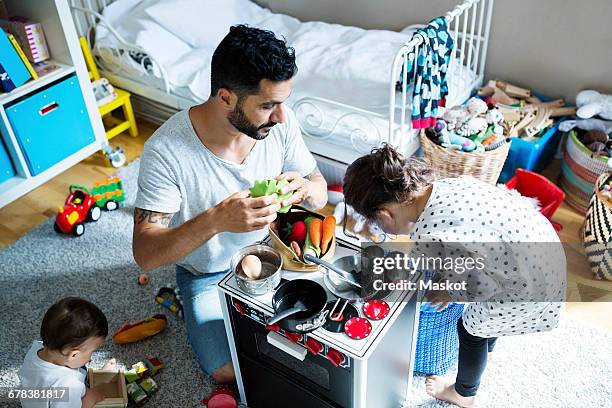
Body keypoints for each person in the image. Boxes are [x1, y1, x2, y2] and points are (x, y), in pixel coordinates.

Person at [132, 25, 327, 384]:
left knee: (327, 336)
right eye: (267, 105)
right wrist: (216, 220)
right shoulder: (166, 151)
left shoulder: (280, 124)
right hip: (207, 275)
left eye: (283, 103)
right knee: (229, 370)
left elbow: (320, 190)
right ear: (225, 98)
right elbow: (145, 253)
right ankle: (186, 305)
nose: (281, 116)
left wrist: (304, 189)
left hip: (280, 253)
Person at [342, 144, 565, 408]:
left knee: (470, 328)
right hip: (542, 253)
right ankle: (489, 349)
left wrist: (451, 291)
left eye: (378, 224)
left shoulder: (429, 234)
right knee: (488, 313)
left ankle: (463, 393)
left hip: (529, 288)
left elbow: (480, 282)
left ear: (385, 214)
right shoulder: (447, 186)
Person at [18, 297, 116, 408]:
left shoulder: (36, 348)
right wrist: (91, 397)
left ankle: (95, 378)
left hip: (37, 399)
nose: (91, 358)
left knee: (80, 370)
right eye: (92, 352)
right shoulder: (69, 384)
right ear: (74, 355)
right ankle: (92, 385)